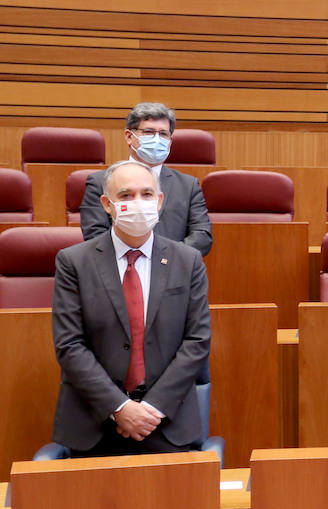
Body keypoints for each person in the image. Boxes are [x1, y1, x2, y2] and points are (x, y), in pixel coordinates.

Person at [52, 159, 212, 456]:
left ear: (160, 201)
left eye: (147, 194)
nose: (138, 203)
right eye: (126, 195)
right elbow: (69, 345)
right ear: (107, 204)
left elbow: (197, 341)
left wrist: (150, 409)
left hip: (166, 423)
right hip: (94, 424)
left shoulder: (187, 261)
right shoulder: (73, 262)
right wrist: (120, 407)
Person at [80, 102, 213, 257]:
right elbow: (95, 235)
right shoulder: (99, 182)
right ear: (129, 136)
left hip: (172, 272)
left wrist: (165, 259)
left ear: (170, 140)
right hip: (120, 270)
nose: (157, 139)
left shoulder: (188, 185)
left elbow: (202, 236)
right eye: (149, 132)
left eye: (163, 134)